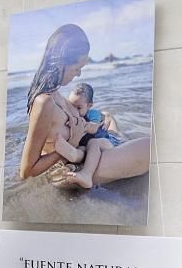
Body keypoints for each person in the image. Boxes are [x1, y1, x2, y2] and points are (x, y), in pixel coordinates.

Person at [19, 24, 151, 189]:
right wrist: (71, 143)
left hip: (84, 156)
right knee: (150, 147)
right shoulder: (44, 102)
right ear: (61, 62)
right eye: (77, 68)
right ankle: (93, 169)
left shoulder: (56, 94)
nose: (79, 74)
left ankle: (116, 143)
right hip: (73, 168)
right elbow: (26, 171)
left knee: (108, 117)